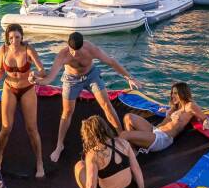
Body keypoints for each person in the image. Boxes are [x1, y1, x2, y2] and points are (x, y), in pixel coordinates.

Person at [35, 32, 141, 163]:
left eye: (78, 51)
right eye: (72, 51)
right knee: (67, 112)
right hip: (71, 79)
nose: (75, 54)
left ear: (83, 46)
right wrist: (37, 81)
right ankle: (59, 145)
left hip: (91, 75)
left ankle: (121, 137)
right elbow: (50, 78)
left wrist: (129, 77)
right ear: (68, 46)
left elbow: (111, 62)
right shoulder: (63, 55)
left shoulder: (91, 49)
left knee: (106, 105)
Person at [0, 24, 47, 177]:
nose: (14, 41)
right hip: (9, 88)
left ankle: (39, 162)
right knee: (6, 128)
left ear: (22, 37)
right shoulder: (2, 50)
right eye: (11, 38)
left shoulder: (28, 50)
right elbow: (1, 70)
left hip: (27, 89)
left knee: (32, 129)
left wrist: (35, 75)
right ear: (7, 38)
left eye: (17, 37)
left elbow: (42, 71)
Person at [75, 116, 145, 188]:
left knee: (79, 165)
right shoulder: (123, 143)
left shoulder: (92, 154)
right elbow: (136, 169)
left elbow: (91, 184)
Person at [121, 82, 206, 154]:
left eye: (176, 93)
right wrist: (166, 110)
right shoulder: (176, 106)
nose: (172, 95)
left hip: (162, 139)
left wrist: (206, 123)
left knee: (124, 135)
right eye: (172, 93)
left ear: (183, 93)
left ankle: (125, 155)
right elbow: (171, 115)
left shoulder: (190, 106)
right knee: (128, 117)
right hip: (155, 130)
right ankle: (133, 150)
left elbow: (205, 118)